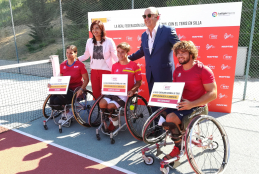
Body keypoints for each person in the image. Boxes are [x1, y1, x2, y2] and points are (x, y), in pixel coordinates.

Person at [162, 40, 217, 162]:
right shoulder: (177, 71)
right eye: (178, 53)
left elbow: (213, 93)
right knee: (161, 113)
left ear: (191, 54)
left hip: (198, 107)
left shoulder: (203, 70)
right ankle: (178, 137)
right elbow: (176, 91)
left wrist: (192, 104)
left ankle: (178, 147)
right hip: (182, 105)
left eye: (183, 53)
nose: (180, 55)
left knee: (170, 119)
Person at [128, 7, 180, 100]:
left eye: (149, 15)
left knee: (166, 105)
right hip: (151, 75)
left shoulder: (168, 30)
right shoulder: (144, 35)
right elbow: (142, 51)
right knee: (154, 104)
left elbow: (180, 47)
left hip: (165, 75)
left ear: (158, 17)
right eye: (144, 16)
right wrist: (127, 59)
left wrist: (190, 59)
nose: (146, 18)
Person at [99, 42, 142, 132]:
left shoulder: (135, 66)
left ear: (127, 53)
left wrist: (132, 91)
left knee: (110, 106)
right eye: (118, 52)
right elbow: (112, 81)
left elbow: (138, 82)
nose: (119, 54)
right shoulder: (115, 66)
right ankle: (112, 120)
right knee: (101, 103)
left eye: (122, 52)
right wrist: (105, 88)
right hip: (114, 92)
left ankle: (113, 123)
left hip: (125, 94)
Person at [48, 45, 89, 124]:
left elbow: (86, 80)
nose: (68, 55)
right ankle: (66, 112)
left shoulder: (80, 65)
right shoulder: (62, 65)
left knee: (57, 100)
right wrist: (52, 84)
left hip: (75, 90)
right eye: (67, 53)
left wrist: (81, 89)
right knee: (52, 100)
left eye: (71, 53)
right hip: (65, 89)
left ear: (75, 53)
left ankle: (67, 113)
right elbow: (60, 79)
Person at [78, 20, 118, 100]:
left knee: (106, 94)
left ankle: (107, 111)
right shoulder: (89, 41)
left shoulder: (109, 41)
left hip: (106, 71)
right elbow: (86, 55)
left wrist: (122, 66)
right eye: (92, 28)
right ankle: (98, 111)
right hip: (94, 72)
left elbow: (115, 56)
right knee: (96, 93)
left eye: (97, 28)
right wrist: (75, 59)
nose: (94, 30)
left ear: (101, 29)